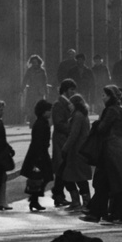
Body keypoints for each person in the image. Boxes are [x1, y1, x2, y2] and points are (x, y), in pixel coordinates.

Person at [80, 85, 122, 223]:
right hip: (119, 148)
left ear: (111, 96)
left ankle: (99, 213)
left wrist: (97, 124)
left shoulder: (110, 110)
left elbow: (102, 128)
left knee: (103, 182)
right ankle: (105, 213)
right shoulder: (120, 110)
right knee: (114, 182)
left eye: (104, 95)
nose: (102, 98)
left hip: (110, 150)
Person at [60, 93, 93, 210]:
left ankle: (78, 201)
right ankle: (85, 201)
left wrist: (65, 148)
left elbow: (73, 134)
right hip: (81, 150)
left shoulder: (77, 116)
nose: (69, 106)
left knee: (70, 177)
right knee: (80, 177)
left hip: (76, 151)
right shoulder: (83, 115)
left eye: (70, 104)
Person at [22, 99, 54, 212]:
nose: (50, 113)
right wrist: (39, 157)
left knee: (41, 177)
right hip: (39, 154)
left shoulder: (42, 122)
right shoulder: (41, 124)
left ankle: (34, 199)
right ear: (43, 111)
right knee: (41, 177)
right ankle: (34, 199)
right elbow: (39, 141)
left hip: (39, 153)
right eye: (49, 110)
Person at [50, 79, 77, 207]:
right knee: (62, 167)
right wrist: (73, 128)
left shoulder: (68, 103)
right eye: (71, 89)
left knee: (62, 167)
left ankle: (58, 194)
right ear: (65, 90)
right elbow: (59, 123)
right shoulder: (59, 104)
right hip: (61, 139)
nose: (73, 92)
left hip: (64, 139)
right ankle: (58, 194)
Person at [22, 55, 49, 124]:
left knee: (39, 106)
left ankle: (40, 121)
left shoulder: (42, 70)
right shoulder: (29, 70)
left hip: (40, 91)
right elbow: (25, 80)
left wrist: (46, 91)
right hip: (31, 91)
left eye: (35, 62)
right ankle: (32, 122)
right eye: (33, 62)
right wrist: (22, 89)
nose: (34, 63)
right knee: (31, 107)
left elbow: (45, 81)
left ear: (38, 62)